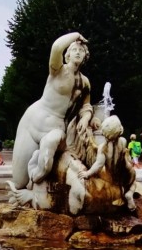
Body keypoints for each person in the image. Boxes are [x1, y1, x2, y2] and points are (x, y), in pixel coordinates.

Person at [9, 32, 90, 190]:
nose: (78, 52)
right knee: (19, 182)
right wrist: (76, 35)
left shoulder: (85, 83)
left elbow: (86, 106)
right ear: (67, 55)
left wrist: (87, 117)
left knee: (50, 148)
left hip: (55, 128)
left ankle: (38, 185)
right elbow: (56, 47)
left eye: (81, 50)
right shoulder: (57, 70)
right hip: (32, 122)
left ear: (86, 56)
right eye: (74, 49)